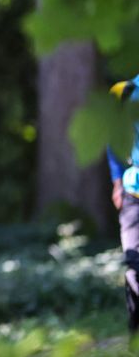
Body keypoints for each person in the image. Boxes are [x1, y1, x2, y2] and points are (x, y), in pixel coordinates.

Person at [106, 75, 139, 335]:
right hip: (134, 194)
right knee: (134, 265)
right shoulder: (123, 92)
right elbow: (113, 140)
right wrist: (117, 181)